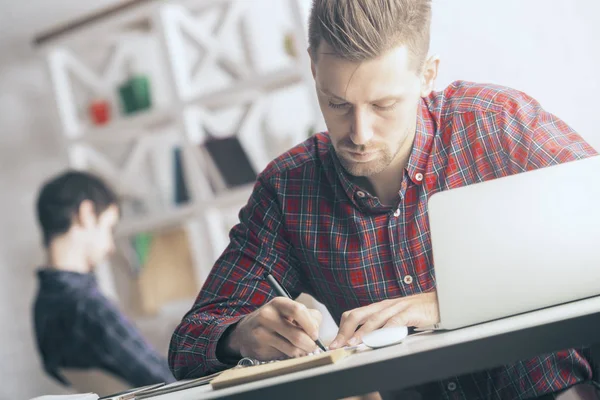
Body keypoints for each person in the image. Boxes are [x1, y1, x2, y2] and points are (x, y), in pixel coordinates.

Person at [168, 0, 598, 398]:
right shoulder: (289, 190)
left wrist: (447, 304)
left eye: (384, 104)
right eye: (337, 104)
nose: (359, 133)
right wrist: (239, 336)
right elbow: (189, 344)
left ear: (427, 74)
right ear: (313, 70)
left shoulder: (496, 125)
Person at [33, 171, 175, 388]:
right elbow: (165, 381)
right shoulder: (87, 306)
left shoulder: (43, 306)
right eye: (109, 228)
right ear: (86, 213)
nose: (110, 247)